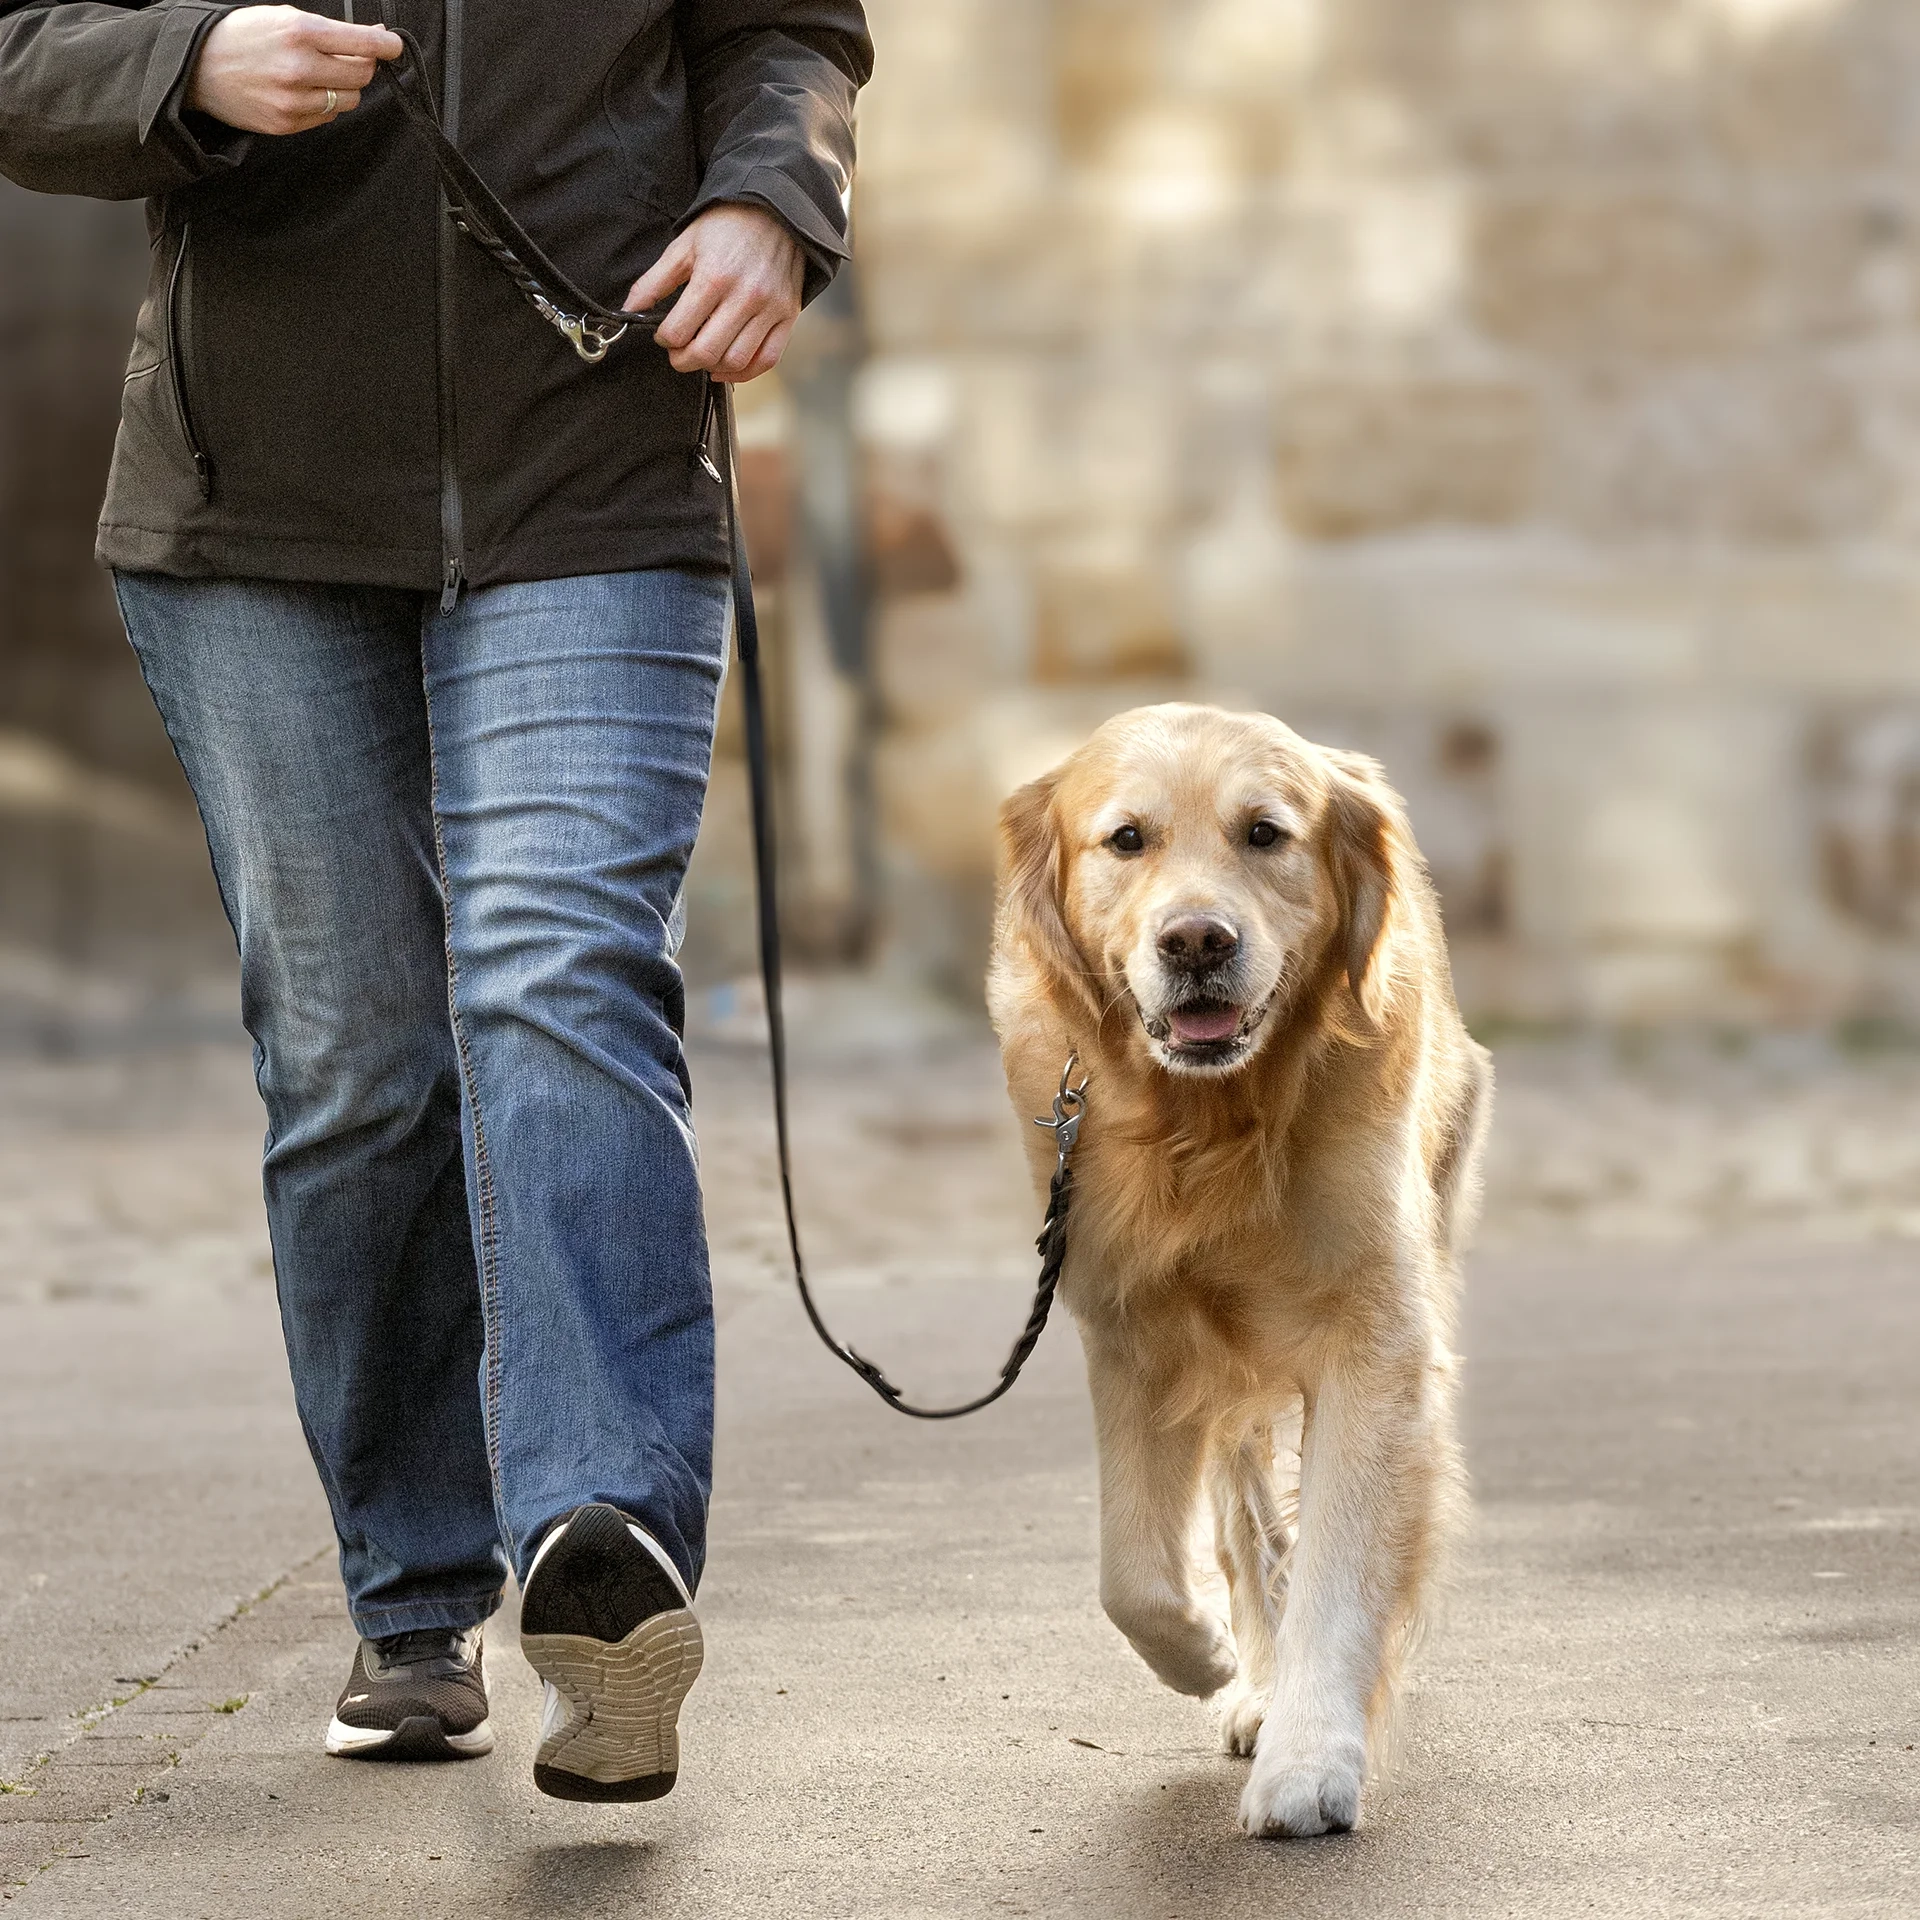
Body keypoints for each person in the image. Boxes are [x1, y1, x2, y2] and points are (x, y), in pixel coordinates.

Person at [0, 0, 871, 1801]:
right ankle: (412, 1600)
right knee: (358, 1054)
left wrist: (771, 202)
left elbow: (787, 29)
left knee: (555, 968)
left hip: (595, 460)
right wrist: (186, 68)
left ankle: (601, 1546)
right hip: (255, 520)